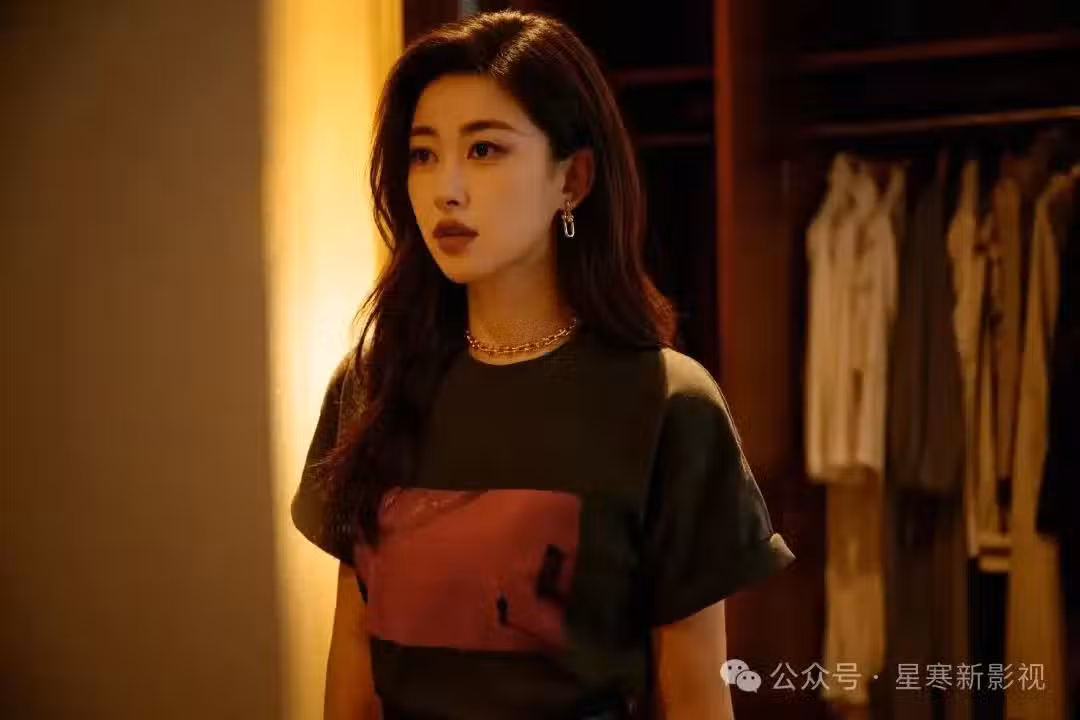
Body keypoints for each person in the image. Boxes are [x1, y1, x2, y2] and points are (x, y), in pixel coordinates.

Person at [291, 9, 795, 719]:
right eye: (423, 154)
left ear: (573, 179)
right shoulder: (373, 386)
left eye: (484, 150)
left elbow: (695, 695)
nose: (446, 188)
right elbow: (353, 667)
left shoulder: (666, 404)